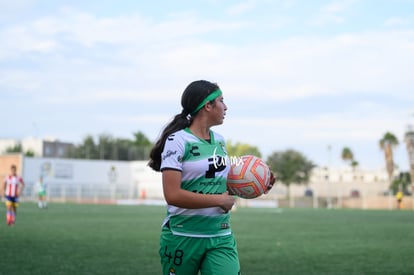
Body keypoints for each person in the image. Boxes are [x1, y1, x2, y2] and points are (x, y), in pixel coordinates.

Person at [148, 80, 275, 275]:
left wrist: (257, 184)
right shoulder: (178, 141)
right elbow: (172, 195)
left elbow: (217, 184)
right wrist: (218, 200)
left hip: (220, 234)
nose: (226, 107)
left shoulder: (220, 141)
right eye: (221, 101)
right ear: (208, 106)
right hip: (183, 235)